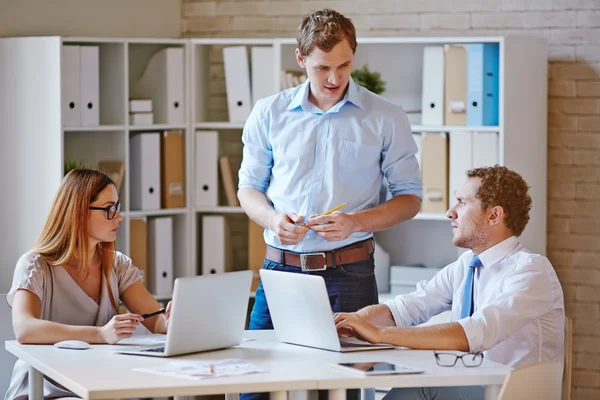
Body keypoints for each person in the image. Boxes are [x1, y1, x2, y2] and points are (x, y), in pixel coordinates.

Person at [238, 8, 422, 331]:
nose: (335, 78)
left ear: (354, 55)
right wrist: (272, 220)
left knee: (343, 378)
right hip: (281, 269)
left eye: (344, 65)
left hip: (351, 273)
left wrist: (355, 222)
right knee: (257, 377)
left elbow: (410, 199)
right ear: (300, 59)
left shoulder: (386, 117)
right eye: (322, 68)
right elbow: (248, 188)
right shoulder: (268, 113)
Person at [334, 165, 565, 400]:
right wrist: (348, 325)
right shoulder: (466, 264)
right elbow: (406, 308)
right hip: (472, 386)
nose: (449, 212)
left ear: (494, 215)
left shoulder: (531, 271)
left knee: (425, 386)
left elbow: (475, 332)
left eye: (462, 203)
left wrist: (380, 335)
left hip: (511, 393)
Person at [5, 169, 171, 400]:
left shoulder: (117, 265)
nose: (119, 217)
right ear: (79, 212)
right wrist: (101, 335)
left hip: (100, 382)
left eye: (117, 208)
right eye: (109, 209)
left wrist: (172, 320)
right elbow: (25, 329)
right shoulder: (35, 266)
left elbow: (156, 321)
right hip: (46, 387)